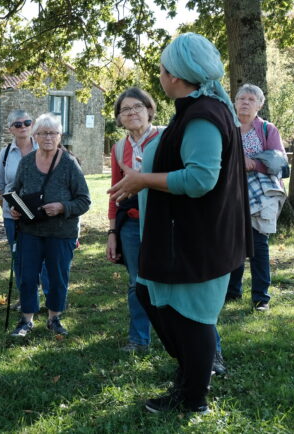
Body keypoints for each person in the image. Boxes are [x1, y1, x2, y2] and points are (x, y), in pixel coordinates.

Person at [108, 33, 251, 414]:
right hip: (180, 236)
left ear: (177, 75)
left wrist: (142, 180)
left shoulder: (204, 115)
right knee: (151, 296)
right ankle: (189, 378)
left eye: (162, 70)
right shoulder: (196, 109)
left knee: (192, 320)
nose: (159, 75)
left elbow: (201, 179)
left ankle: (193, 398)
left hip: (195, 239)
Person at [9, 114, 90, 338]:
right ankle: (26, 320)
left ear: (59, 136)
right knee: (27, 276)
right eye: (43, 133)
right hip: (30, 231)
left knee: (57, 276)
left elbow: (84, 200)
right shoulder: (26, 162)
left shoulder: (69, 164)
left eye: (53, 133)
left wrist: (63, 207)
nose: (48, 137)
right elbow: (16, 192)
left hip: (61, 232)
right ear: (35, 136)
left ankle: (54, 318)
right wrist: (15, 209)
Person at [106, 88, 162, 352]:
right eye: (124, 110)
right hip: (130, 224)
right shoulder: (119, 148)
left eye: (137, 106)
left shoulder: (165, 138)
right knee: (136, 282)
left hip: (163, 223)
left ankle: (179, 337)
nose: (131, 113)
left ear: (149, 109)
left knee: (170, 280)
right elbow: (114, 194)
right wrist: (112, 233)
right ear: (119, 118)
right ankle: (139, 339)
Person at [227, 83, 287, 310]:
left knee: (258, 243)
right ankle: (233, 292)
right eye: (242, 98)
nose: (245, 102)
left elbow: (279, 162)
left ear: (260, 105)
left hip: (261, 191)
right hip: (231, 189)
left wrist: (252, 164)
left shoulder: (267, 129)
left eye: (252, 99)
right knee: (234, 241)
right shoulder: (227, 127)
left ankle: (261, 297)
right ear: (235, 102)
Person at [0, 110, 50, 308]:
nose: (23, 127)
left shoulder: (43, 148)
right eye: (18, 124)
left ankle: (50, 297)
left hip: (41, 212)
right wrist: (12, 205)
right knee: (20, 257)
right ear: (10, 129)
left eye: (27, 122)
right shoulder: (6, 153)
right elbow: (1, 184)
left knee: (44, 255)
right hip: (13, 215)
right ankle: (26, 298)